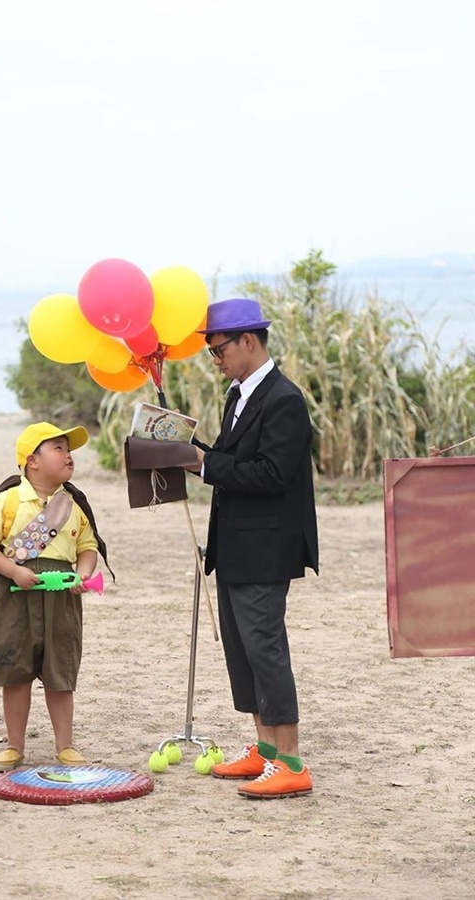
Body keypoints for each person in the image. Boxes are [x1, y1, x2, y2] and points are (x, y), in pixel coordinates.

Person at [187, 298, 319, 799]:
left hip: (266, 546)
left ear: (248, 340)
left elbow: (270, 474)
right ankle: (264, 750)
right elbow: (231, 460)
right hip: (235, 544)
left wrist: (204, 466)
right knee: (241, 651)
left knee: (265, 649)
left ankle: (291, 762)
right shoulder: (238, 395)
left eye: (218, 349)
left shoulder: (284, 399)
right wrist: (188, 452)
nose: (215, 359)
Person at [0, 421, 101, 773]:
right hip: (15, 595)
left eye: (69, 449)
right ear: (32, 461)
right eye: (58, 448)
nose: (68, 455)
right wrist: (13, 571)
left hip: (62, 599)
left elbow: (87, 547)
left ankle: (65, 746)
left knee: (60, 669)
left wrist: (84, 574)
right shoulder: (8, 500)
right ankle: (14, 746)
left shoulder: (73, 505)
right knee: (15, 672)